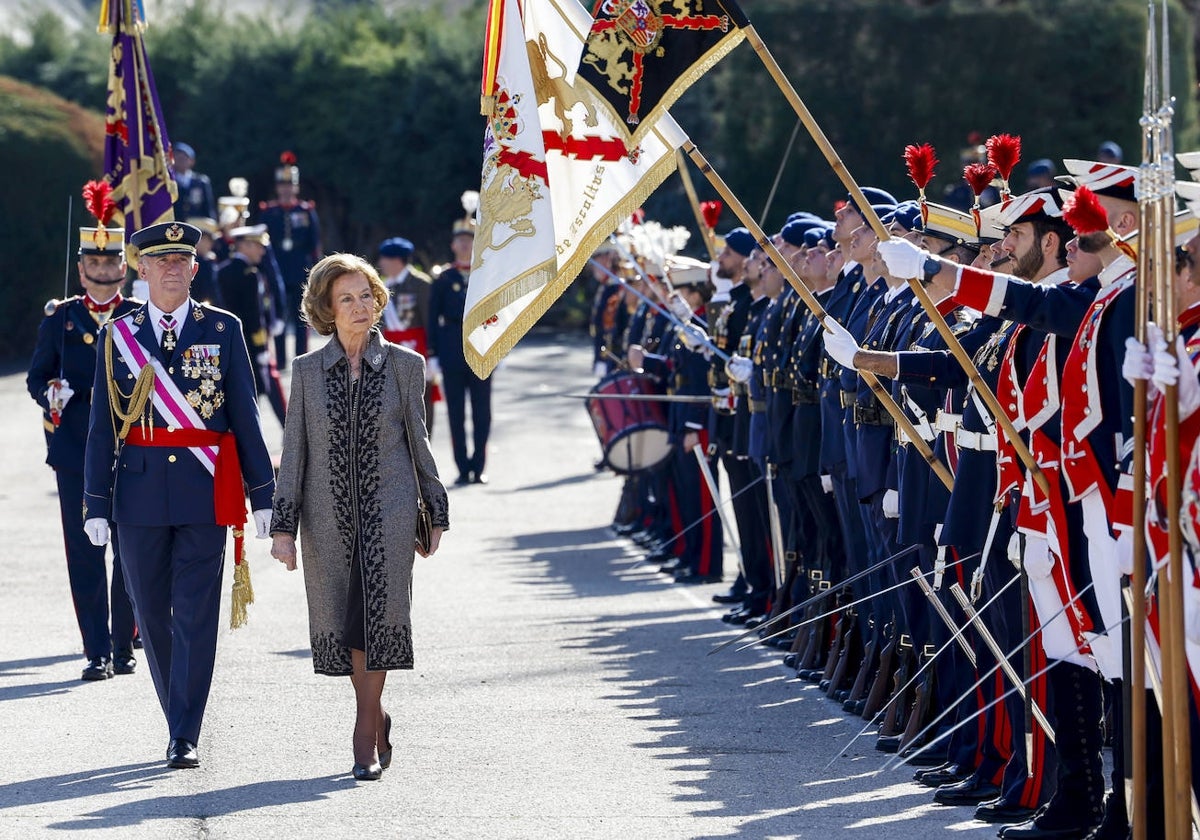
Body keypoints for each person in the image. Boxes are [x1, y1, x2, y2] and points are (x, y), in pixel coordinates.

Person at [82, 220, 276, 771]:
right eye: (159, 260)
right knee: (153, 614)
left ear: (195, 267)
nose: (171, 268)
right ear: (140, 270)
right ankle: (178, 715)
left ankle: (184, 730)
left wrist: (262, 495)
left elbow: (244, 414)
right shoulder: (117, 334)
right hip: (138, 496)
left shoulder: (223, 328)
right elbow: (101, 425)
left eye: (180, 260)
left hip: (203, 489)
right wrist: (96, 501)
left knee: (195, 613)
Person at [268, 253, 449, 781]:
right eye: (346, 298)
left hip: (390, 514)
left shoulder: (405, 366)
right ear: (326, 308)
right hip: (325, 520)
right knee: (344, 628)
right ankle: (378, 714)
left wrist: (434, 509)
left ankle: (363, 733)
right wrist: (283, 529)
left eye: (366, 295)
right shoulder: (304, 371)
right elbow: (294, 451)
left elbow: (420, 442)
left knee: (379, 620)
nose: (360, 306)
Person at [27, 182, 140, 681]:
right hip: (75, 451)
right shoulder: (62, 318)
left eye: (109, 264)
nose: (101, 273)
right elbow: (35, 377)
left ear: (123, 267)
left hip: (132, 448)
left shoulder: (137, 318)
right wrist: (50, 390)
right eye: (92, 266)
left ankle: (123, 645)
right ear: (81, 269)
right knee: (85, 550)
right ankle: (95, 649)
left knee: (131, 550)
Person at [429, 210, 492, 485]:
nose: (465, 245)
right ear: (453, 245)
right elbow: (432, 317)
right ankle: (461, 466)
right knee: (456, 412)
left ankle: (479, 466)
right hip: (452, 348)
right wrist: (432, 354)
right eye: (460, 240)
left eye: (470, 239)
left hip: (482, 348)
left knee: (482, 412)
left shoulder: (487, 274)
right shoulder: (443, 278)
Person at [217, 224, 288, 426]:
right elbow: (253, 315)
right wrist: (261, 348)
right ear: (245, 246)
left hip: (230, 341)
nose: (262, 251)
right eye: (257, 246)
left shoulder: (223, 270)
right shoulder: (249, 274)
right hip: (250, 344)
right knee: (252, 394)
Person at [258, 151, 321, 369]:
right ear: (277, 187)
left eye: (289, 185)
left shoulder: (305, 210)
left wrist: (315, 273)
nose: (286, 188)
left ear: (295, 187)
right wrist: (264, 273)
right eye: (282, 184)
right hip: (276, 271)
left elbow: (314, 244)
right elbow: (261, 244)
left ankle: (301, 358)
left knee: (301, 315)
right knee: (278, 317)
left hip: (300, 269)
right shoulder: (268, 212)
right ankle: (282, 360)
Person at [379, 236, 437, 435]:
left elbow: (430, 321)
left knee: (422, 399)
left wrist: (432, 354)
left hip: (418, 348)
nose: (381, 263)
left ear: (396, 260)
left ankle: (424, 442)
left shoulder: (420, 284)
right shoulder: (384, 286)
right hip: (392, 350)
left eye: (384, 258)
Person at [171, 142, 217, 221]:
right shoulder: (170, 182)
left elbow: (208, 209)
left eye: (184, 158)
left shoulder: (201, 182)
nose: (181, 160)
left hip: (198, 228)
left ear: (192, 161)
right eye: (177, 157)